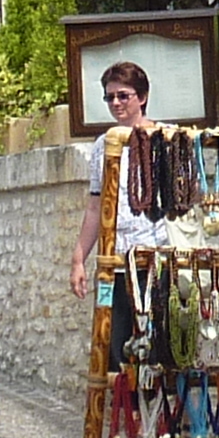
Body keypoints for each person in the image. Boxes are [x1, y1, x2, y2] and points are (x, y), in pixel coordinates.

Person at [66, 59, 158, 298]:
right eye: (110, 97)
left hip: (157, 261)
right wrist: (79, 260)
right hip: (113, 261)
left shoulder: (165, 140)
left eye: (123, 96)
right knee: (110, 334)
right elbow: (95, 207)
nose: (116, 103)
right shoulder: (102, 146)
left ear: (142, 97)